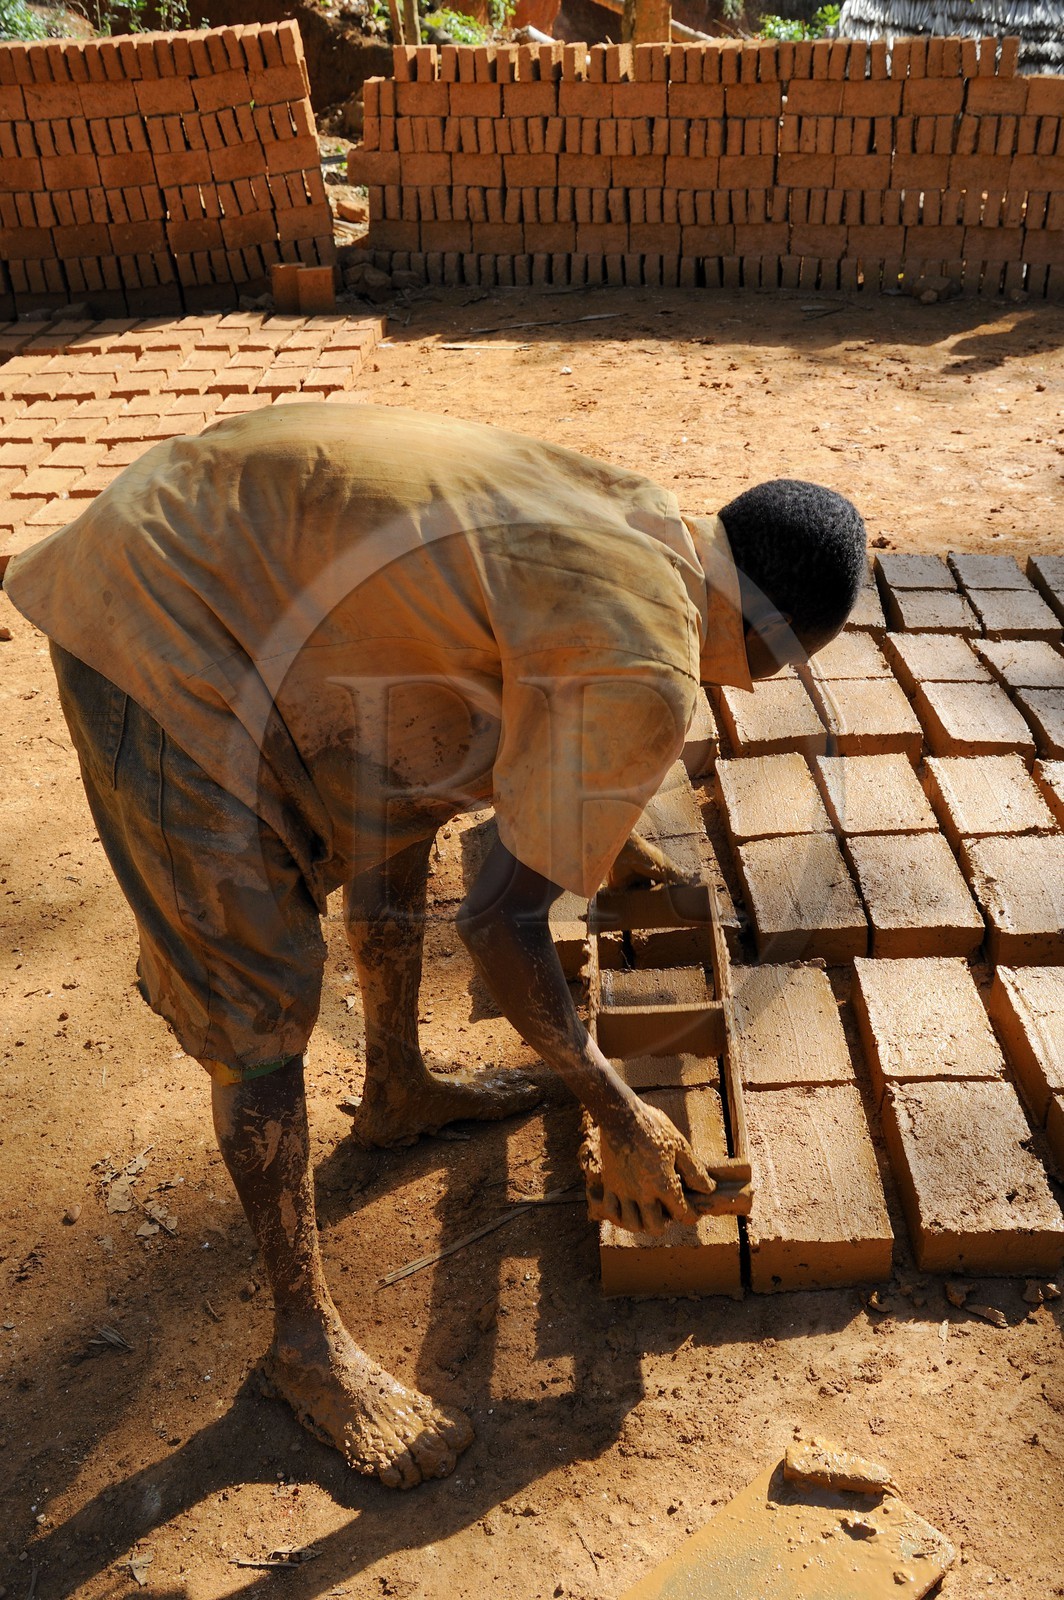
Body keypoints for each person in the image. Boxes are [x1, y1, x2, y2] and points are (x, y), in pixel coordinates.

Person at [0, 405, 865, 1489]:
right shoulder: (652, 666)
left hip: (211, 529)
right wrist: (618, 1111)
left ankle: (396, 1089)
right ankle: (304, 1346)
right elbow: (497, 922)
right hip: (165, 622)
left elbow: (510, 688)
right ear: (779, 645)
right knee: (256, 1000)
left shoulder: (646, 519)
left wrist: (596, 825)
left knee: (410, 776)